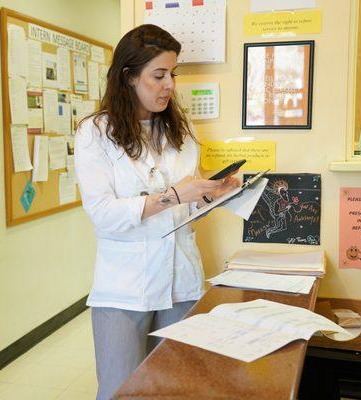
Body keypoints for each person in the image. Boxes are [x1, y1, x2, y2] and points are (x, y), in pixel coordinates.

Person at [74, 24, 240, 400]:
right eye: (159, 75)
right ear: (128, 76)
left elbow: (187, 207)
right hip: (124, 288)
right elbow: (103, 214)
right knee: (121, 391)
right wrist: (172, 195)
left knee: (177, 388)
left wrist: (214, 194)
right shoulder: (95, 133)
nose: (168, 85)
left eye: (173, 75)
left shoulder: (181, 132)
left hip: (181, 279)